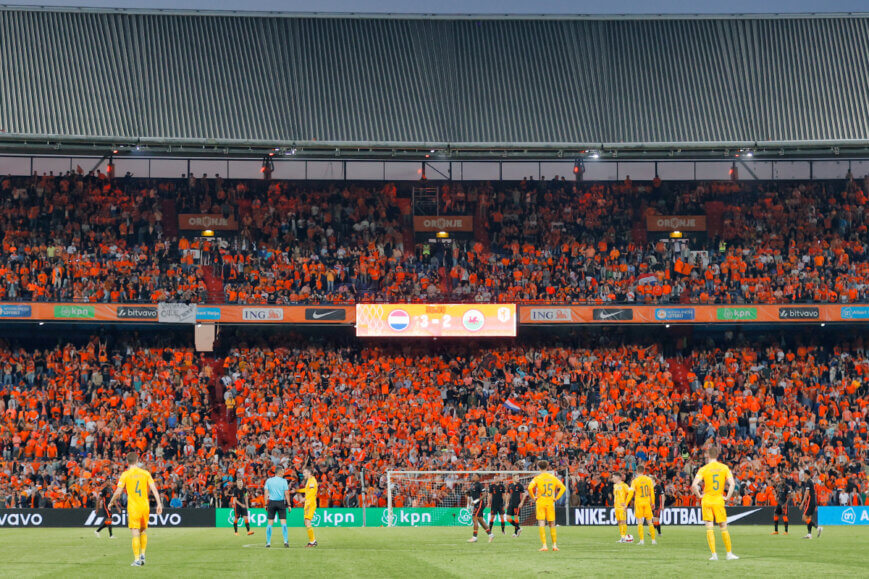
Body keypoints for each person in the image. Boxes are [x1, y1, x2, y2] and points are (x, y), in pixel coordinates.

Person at [107, 451, 163, 567]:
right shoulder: (146, 473)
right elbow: (154, 489)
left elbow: (118, 492)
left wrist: (111, 502)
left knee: (134, 532)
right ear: (137, 461)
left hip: (133, 507)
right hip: (145, 506)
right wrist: (159, 503)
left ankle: (137, 560)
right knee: (143, 531)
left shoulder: (125, 474)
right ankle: (143, 554)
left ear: (127, 462)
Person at [691, 446, 738, 561]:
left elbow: (693, 485)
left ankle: (714, 555)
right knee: (723, 526)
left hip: (707, 500)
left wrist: (699, 495)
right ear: (717, 455)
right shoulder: (724, 467)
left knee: (709, 527)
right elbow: (732, 484)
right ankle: (729, 554)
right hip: (718, 499)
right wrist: (727, 497)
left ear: (708, 455)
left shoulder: (704, 469)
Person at [528, 460, 566, 552]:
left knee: (541, 522)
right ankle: (554, 545)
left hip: (540, 502)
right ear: (547, 467)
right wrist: (556, 498)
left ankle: (544, 545)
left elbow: (529, 488)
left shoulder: (537, 478)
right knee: (552, 523)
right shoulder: (552, 477)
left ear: (539, 468)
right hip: (550, 502)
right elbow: (563, 488)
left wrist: (534, 497)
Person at [263, 468, 291, 548]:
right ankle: (285, 541)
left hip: (271, 502)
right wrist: (289, 505)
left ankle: (268, 542)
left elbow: (266, 493)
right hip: (280, 502)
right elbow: (286, 493)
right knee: (283, 523)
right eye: (283, 472)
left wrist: (265, 504)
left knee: (270, 523)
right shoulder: (283, 481)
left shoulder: (269, 481)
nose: (284, 473)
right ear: (280, 472)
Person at [629, 464, 657, 545]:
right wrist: (653, 503)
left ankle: (642, 541)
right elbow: (652, 492)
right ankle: (653, 540)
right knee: (650, 522)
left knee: (640, 522)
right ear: (644, 471)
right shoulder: (649, 479)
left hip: (638, 502)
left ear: (637, 471)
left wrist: (627, 502)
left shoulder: (635, 481)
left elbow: (631, 493)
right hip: (647, 502)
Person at [467, 474, 493, 543]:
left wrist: (476, 501)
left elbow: (485, 494)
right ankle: (491, 535)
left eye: (474, 476)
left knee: (474, 518)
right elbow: (469, 494)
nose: (473, 477)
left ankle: (474, 537)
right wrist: (468, 504)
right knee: (481, 521)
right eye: (473, 476)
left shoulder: (479, 485)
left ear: (478, 478)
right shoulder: (472, 485)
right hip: (475, 504)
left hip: (480, 504)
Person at [296, 468, 319, 547]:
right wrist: (297, 490)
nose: (303, 474)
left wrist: (304, 498)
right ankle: (313, 541)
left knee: (308, 522)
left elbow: (312, 492)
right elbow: (306, 490)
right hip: (308, 503)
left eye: (305, 472)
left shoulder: (312, 481)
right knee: (306, 522)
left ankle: (312, 542)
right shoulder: (309, 481)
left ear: (309, 473)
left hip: (310, 503)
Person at [800, 471, 823, 539]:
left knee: (804, 517)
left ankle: (818, 527)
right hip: (813, 501)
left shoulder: (808, 482)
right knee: (809, 518)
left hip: (810, 501)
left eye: (804, 474)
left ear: (806, 475)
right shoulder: (811, 482)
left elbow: (807, 493)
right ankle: (809, 534)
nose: (803, 476)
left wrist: (802, 503)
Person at [612, 473, 630, 543]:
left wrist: (626, 503)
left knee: (623, 521)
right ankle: (622, 537)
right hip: (616, 506)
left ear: (618, 477)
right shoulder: (615, 485)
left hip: (622, 507)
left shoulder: (624, 485)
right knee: (619, 522)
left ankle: (623, 537)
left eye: (613, 477)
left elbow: (630, 493)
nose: (613, 479)